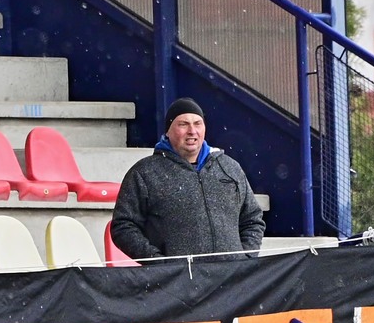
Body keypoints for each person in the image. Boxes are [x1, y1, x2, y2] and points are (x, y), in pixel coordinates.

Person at [110, 98, 266, 259]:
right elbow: (123, 227)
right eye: (183, 124)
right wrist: (160, 263)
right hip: (180, 275)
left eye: (197, 123)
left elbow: (252, 219)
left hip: (232, 274)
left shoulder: (229, 167)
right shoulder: (144, 173)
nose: (192, 131)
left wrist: (245, 258)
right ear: (168, 131)